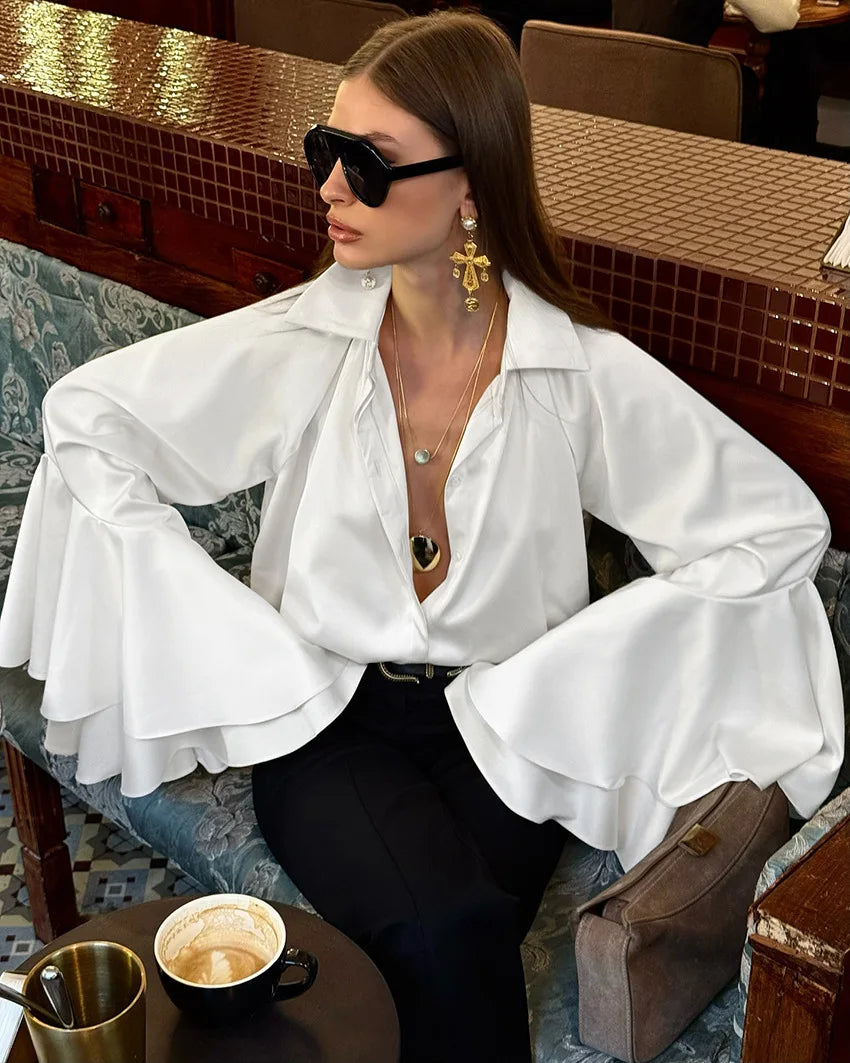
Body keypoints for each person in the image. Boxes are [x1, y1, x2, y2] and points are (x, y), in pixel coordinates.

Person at [0, 12, 843, 1063]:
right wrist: (231, 642)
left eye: (367, 162)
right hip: (327, 722)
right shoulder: (306, 343)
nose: (328, 189)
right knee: (446, 924)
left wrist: (581, 668)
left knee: (448, 927)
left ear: (470, 184)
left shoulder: (574, 374)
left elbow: (772, 529)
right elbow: (90, 421)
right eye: (325, 151)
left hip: (507, 730)